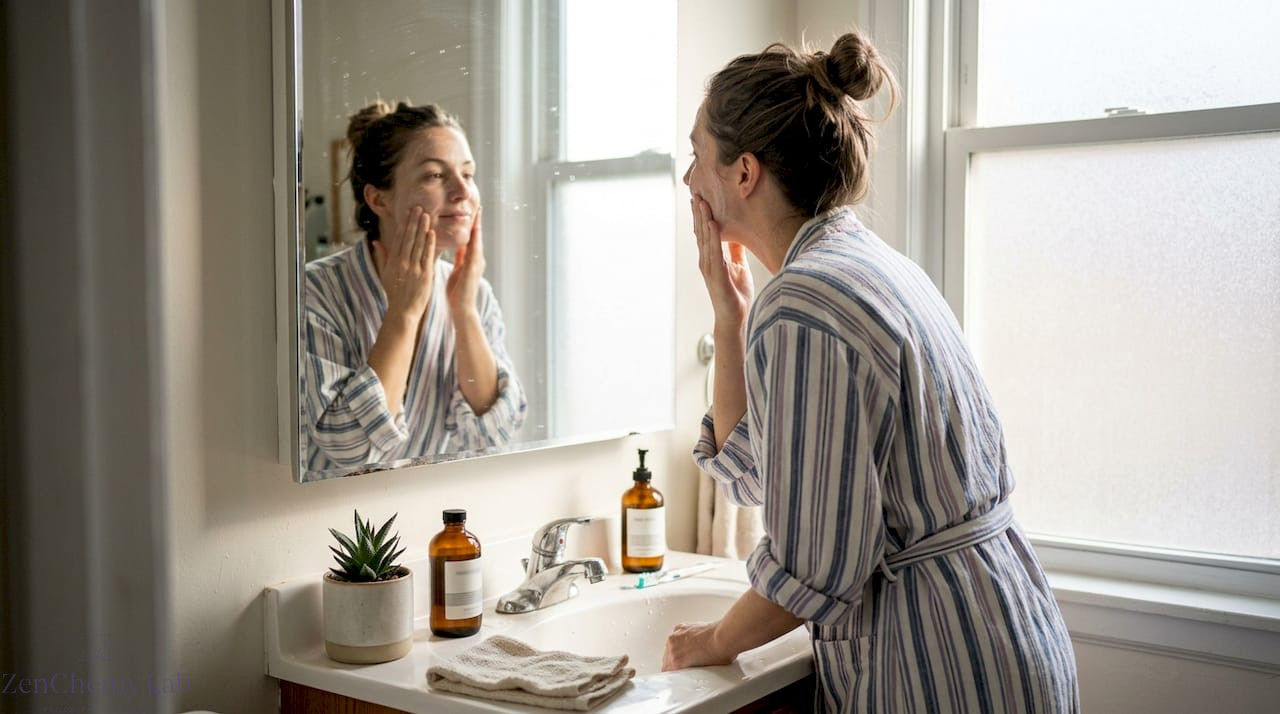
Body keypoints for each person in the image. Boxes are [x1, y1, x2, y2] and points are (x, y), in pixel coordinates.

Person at [663, 31, 1080, 712]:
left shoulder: (804, 304)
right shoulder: (868, 265)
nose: (688, 181)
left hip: (939, 660)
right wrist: (729, 316)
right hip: (1005, 631)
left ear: (744, 173)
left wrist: (710, 641)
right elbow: (755, 473)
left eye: (696, 156)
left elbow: (811, 566)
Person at [301, 101, 526, 474]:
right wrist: (403, 313)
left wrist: (464, 312)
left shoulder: (476, 295)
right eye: (435, 175)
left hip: (425, 505)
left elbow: (493, 438)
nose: (463, 191)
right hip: (319, 511)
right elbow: (351, 449)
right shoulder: (316, 292)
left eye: (468, 174)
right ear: (378, 199)